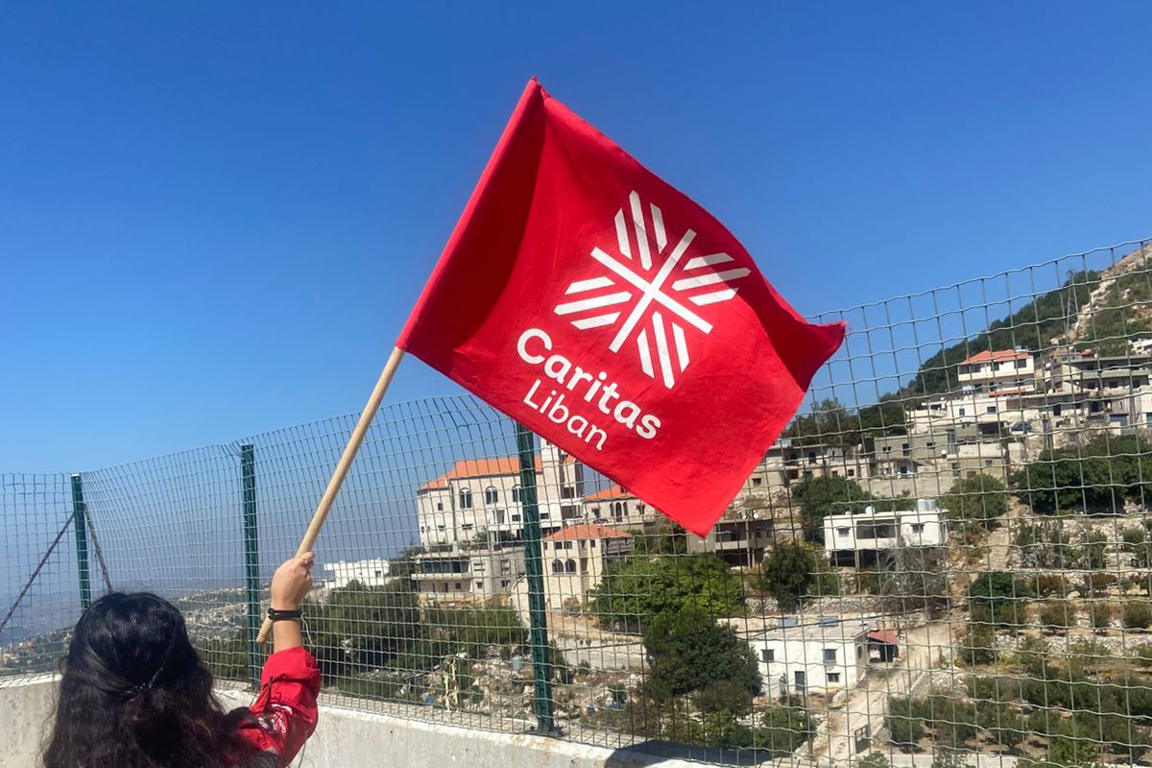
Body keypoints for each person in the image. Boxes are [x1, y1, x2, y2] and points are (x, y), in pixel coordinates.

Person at [44, 552, 320, 768]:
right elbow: (288, 708)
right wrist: (284, 606)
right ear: (190, 676)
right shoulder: (233, 756)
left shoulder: (75, 759)